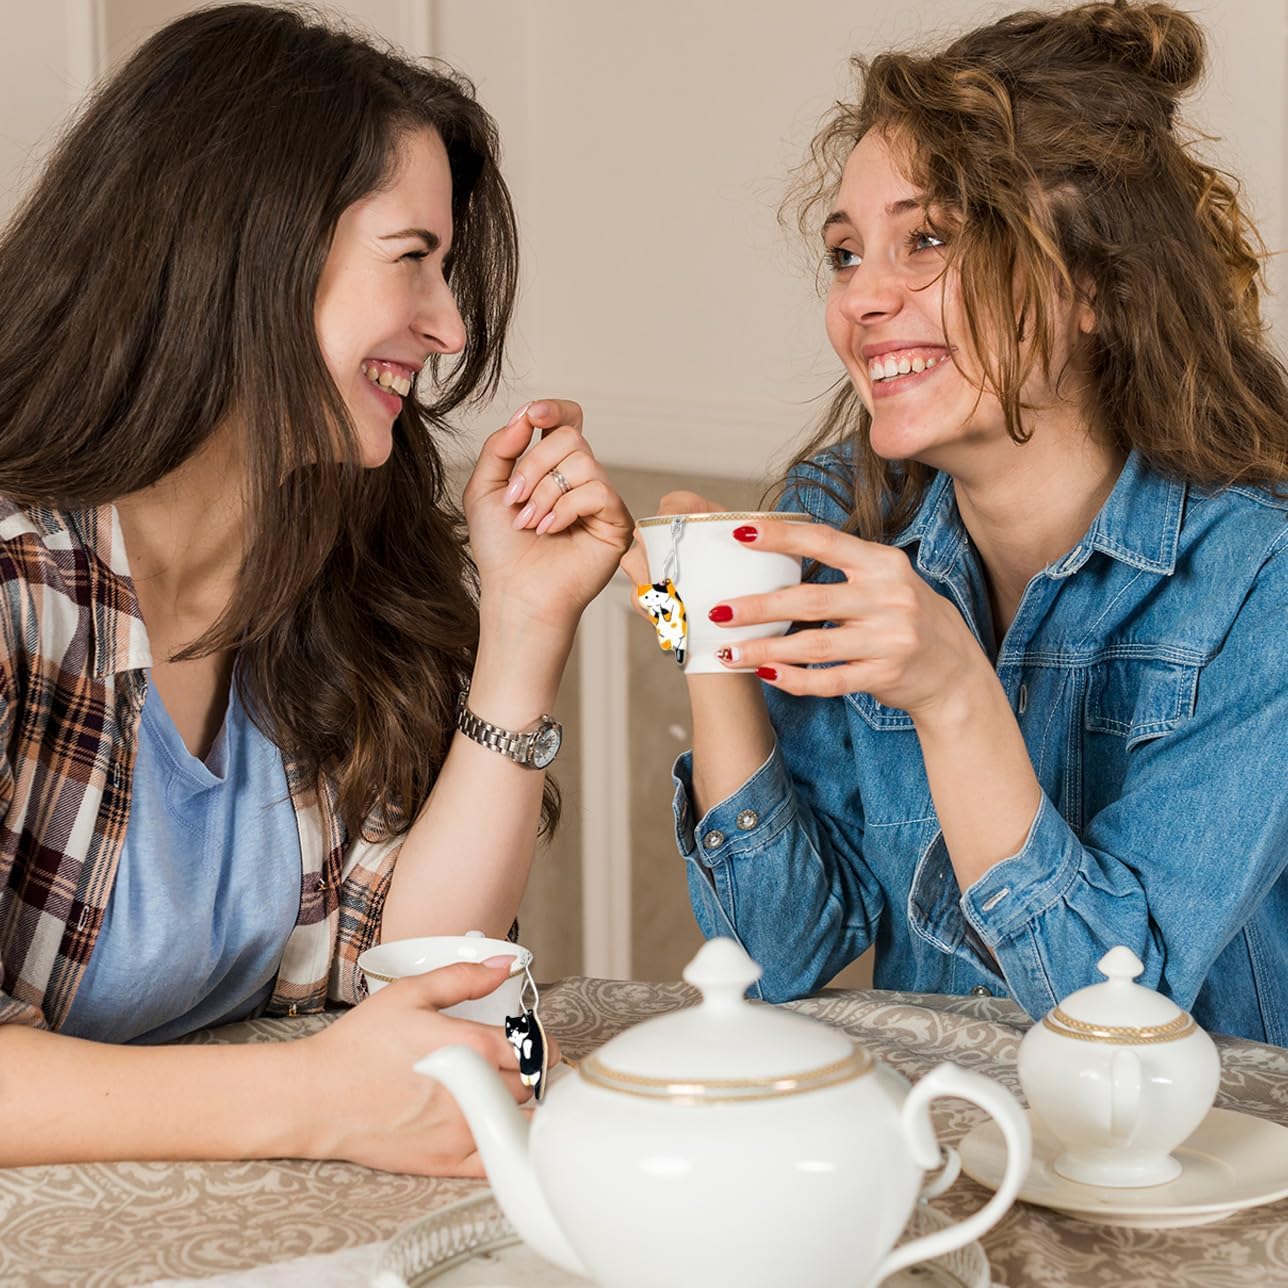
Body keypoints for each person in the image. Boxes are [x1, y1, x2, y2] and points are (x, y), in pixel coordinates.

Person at [0, 4, 632, 1171]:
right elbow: (339, 1080)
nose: (446, 327)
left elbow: (403, 964)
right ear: (250, 248)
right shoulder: (16, 585)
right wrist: (309, 1099)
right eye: (413, 261)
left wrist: (525, 626)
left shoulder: (335, 553)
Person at [627, 1, 1288, 1044]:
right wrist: (700, 631)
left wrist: (952, 692)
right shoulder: (841, 520)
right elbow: (772, 956)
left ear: (1094, 287)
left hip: (1208, 1175)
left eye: (924, 239)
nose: (862, 302)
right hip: (942, 1154)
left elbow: (1115, 1027)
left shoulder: (1261, 577)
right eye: (846, 254)